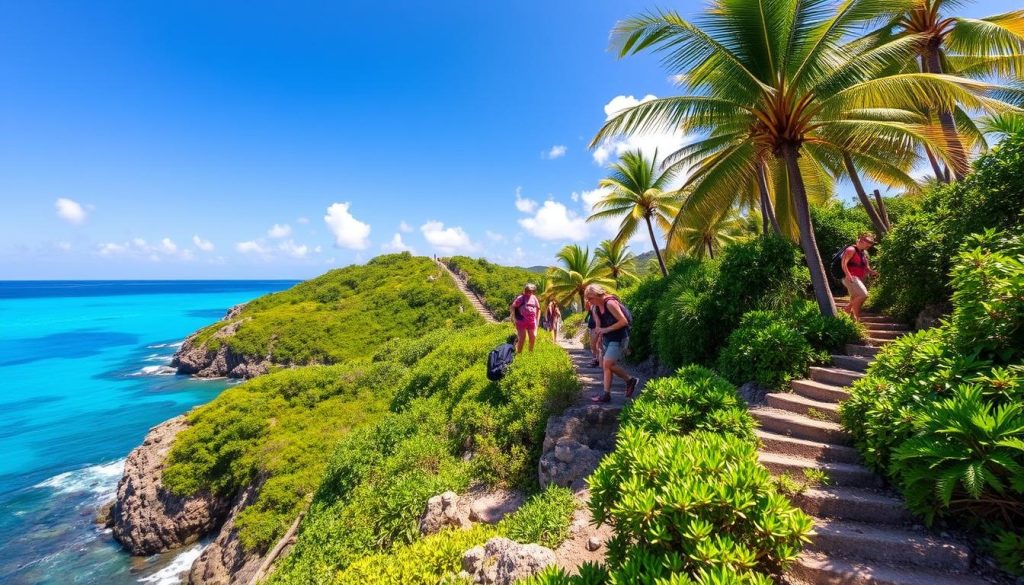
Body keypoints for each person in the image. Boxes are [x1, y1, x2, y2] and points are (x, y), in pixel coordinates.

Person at [585, 284, 638, 403]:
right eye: (587, 298)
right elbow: (598, 326)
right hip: (608, 338)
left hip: (619, 337)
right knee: (606, 366)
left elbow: (624, 321)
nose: (589, 301)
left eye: (591, 298)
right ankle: (606, 394)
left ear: (599, 295)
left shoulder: (610, 303)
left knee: (607, 363)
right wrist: (598, 338)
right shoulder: (595, 307)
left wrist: (606, 330)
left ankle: (630, 380)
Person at [841, 233, 878, 322]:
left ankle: (854, 319)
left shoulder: (863, 253)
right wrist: (848, 275)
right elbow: (843, 263)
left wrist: (872, 272)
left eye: (871, 243)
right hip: (850, 277)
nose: (869, 245)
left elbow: (866, 268)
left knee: (855, 298)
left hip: (858, 277)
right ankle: (846, 309)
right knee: (863, 295)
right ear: (861, 240)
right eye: (868, 242)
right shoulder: (851, 250)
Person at [510, 283, 541, 352]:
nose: (528, 292)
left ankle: (530, 354)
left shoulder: (534, 298)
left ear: (533, 291)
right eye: (527, 290)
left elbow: (538, 309)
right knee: (522, 338)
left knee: (533, 337)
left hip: (531, 322)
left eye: (530, 291)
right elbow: (513, 306)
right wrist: (513, 317)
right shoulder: (520, 298)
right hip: (521, 321)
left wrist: (537, 321)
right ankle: (519, 354)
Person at [585, 299, 602, 367]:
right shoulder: (592, 304)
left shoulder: (598, 305)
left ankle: (597, 360)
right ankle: (596, 359)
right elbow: (587, 308)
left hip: (596, 327)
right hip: (593, 327)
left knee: (596, 344)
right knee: (594, 345)